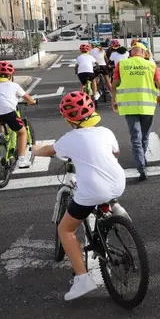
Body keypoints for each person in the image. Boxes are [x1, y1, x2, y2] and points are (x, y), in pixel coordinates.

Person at [31, 91, 128, 301]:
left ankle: (83, 279)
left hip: (94, 190)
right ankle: (115, 206)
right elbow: (115, 153)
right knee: (105, 185)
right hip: (119, 184)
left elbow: (50, 150)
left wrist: (34, 150)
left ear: (68, 119)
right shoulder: (105, 131)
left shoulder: (70, 138)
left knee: (65, 229)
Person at [113, 43, 160, 181]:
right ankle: (142, 161)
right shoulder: (151, 65)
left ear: (131, 52)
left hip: (129, 107)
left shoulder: (122, 65)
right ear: (144, 52)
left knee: (135, 137)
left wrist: (113, 100)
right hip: (147, 107)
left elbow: (114, 85)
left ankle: (141, 167)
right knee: (144, 137)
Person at [0, 61, 37, 169]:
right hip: (8, 113)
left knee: (0, 117)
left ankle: (0, 136)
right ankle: (21, 160)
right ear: (10, 75)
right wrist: (32, 102)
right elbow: (27, 98)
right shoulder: (14, 85)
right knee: (22, 132)